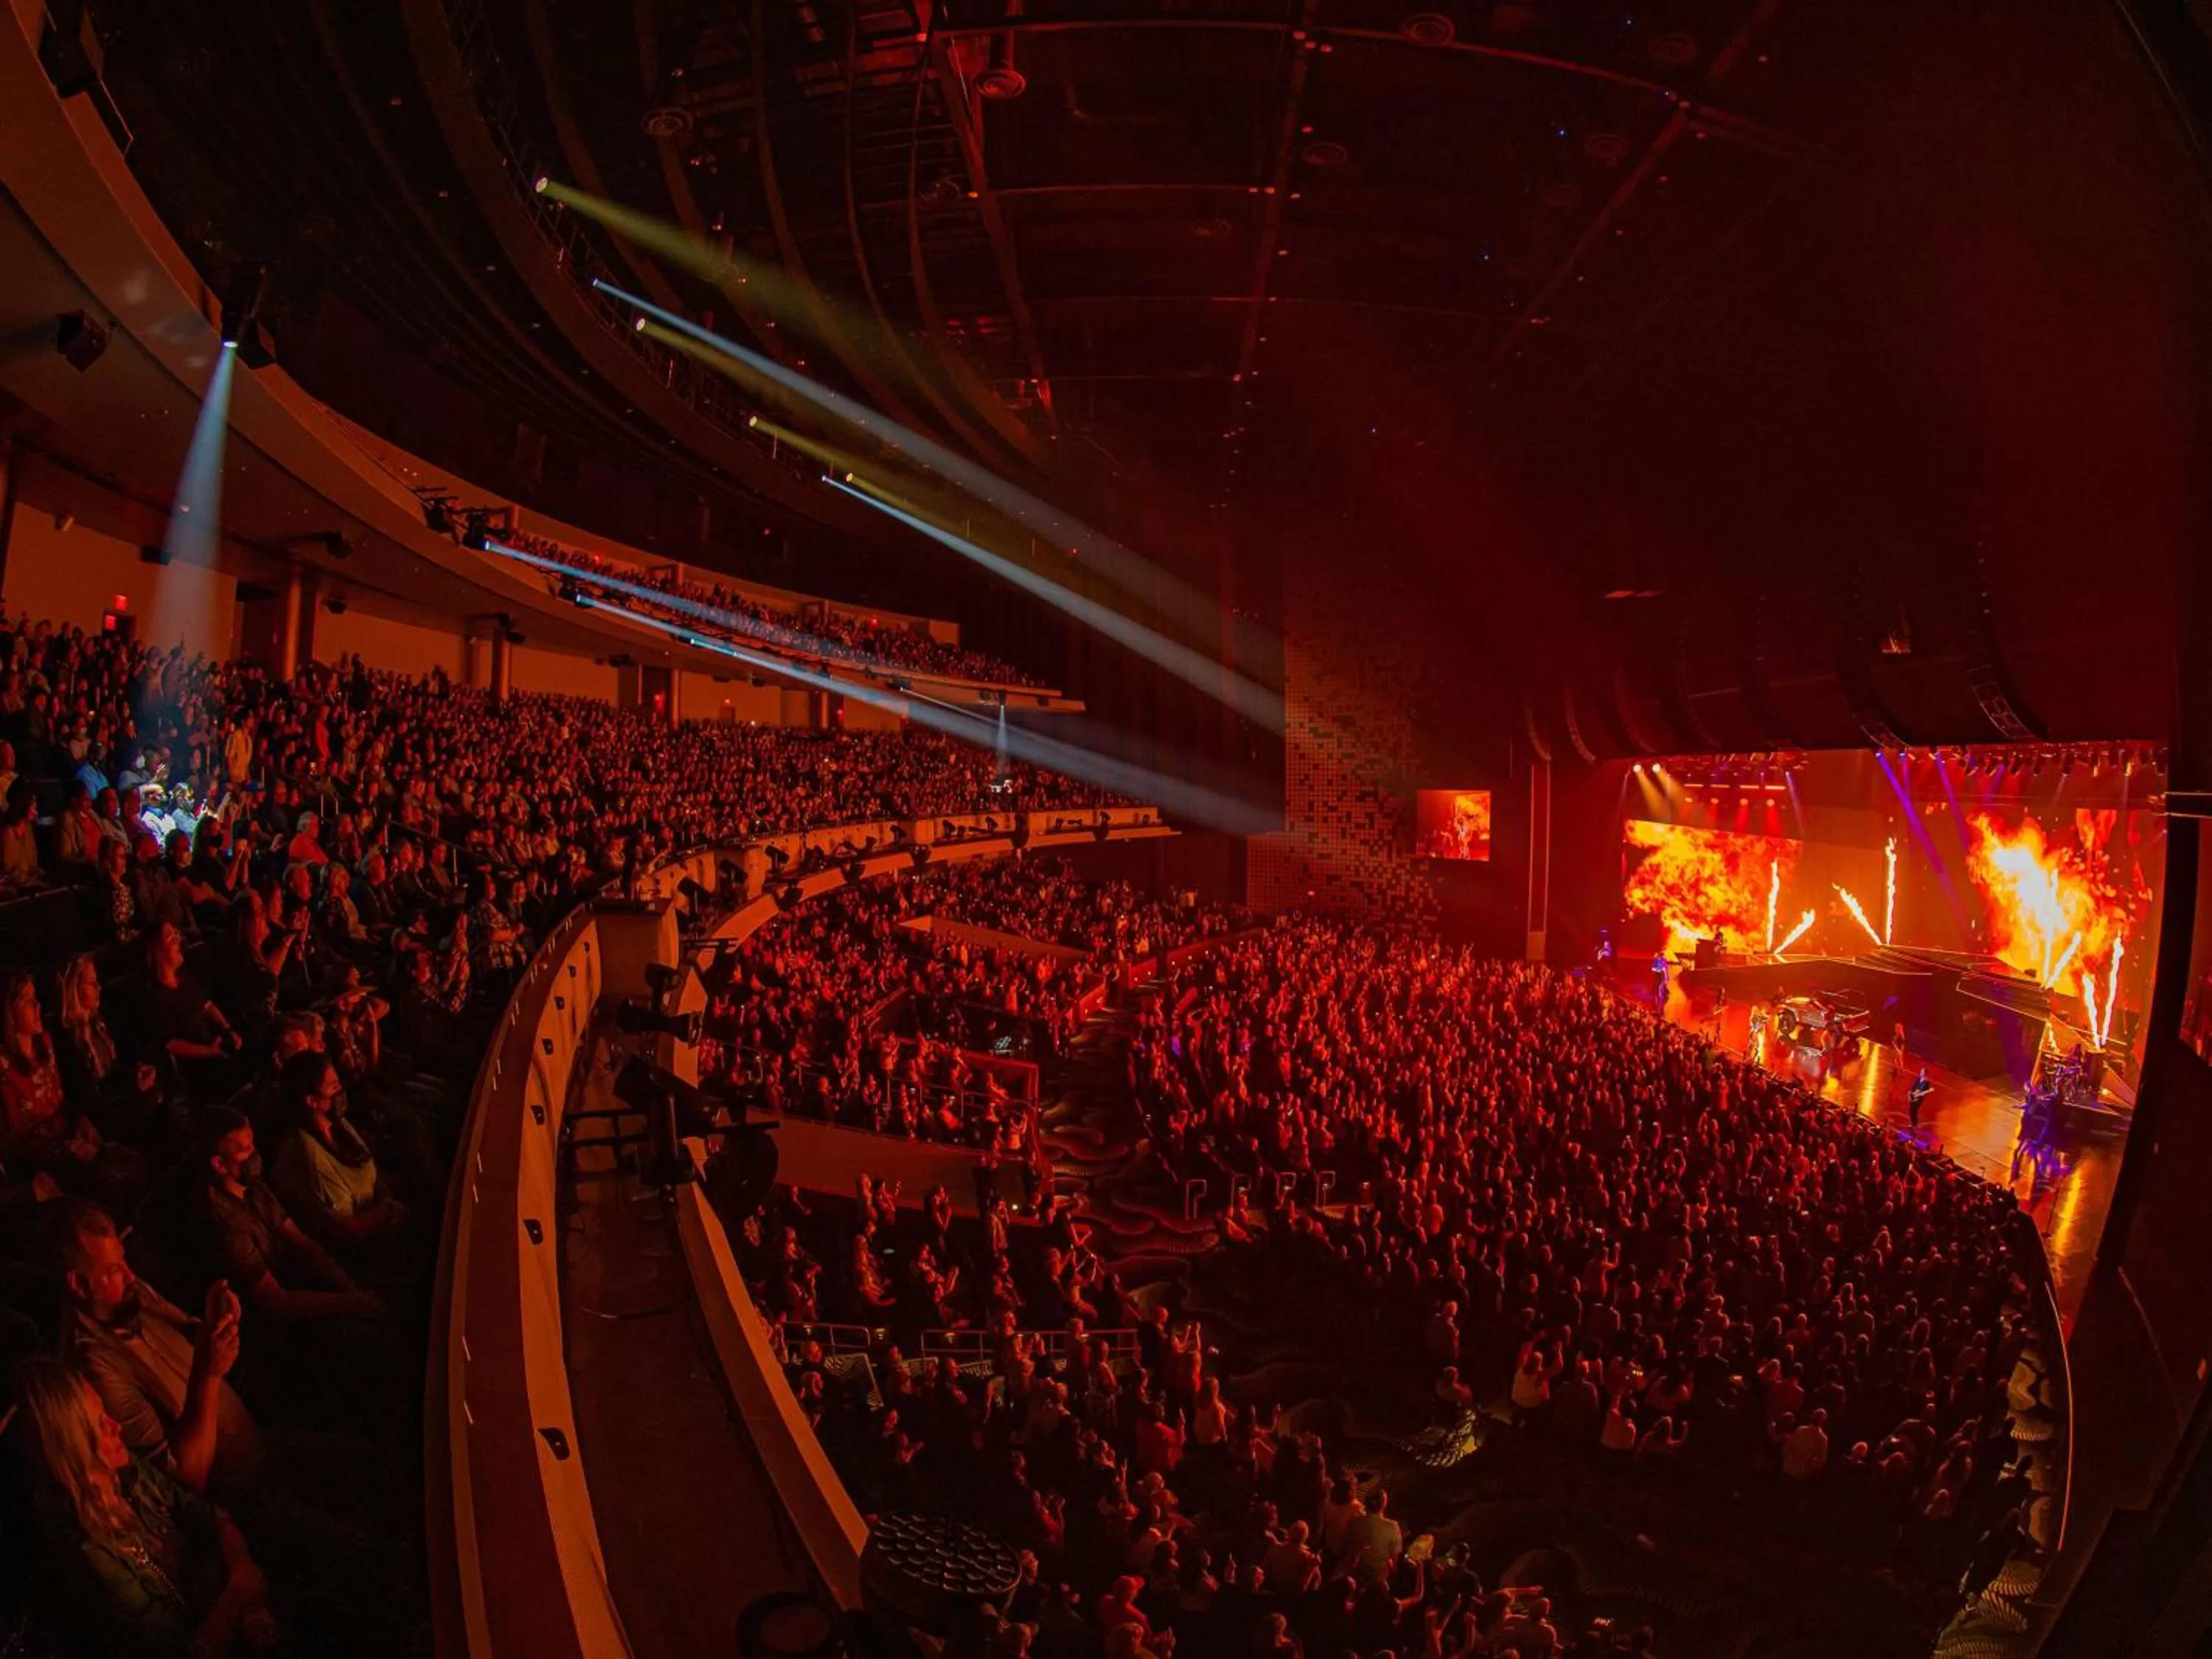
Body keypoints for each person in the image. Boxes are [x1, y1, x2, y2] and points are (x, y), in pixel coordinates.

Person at [13, 1357, 279, 1657]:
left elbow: (213, 1516)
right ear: (75, 1449)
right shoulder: (93, 1556)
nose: (116, 1426)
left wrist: (243, 1574)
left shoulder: (126, 1472)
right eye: (100, 1425)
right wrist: (236, 1599)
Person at [56, 1200, 264, 1498]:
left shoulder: (126, 1297)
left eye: (124, 1260)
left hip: (258, 1447)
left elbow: (189, 1334)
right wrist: (208, 1373)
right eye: (114, 1269)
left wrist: (216, 1321)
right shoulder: (95, 1369)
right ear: (78, 1284)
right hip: (243, 1499)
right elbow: (186, 1483)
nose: (131, 1276)